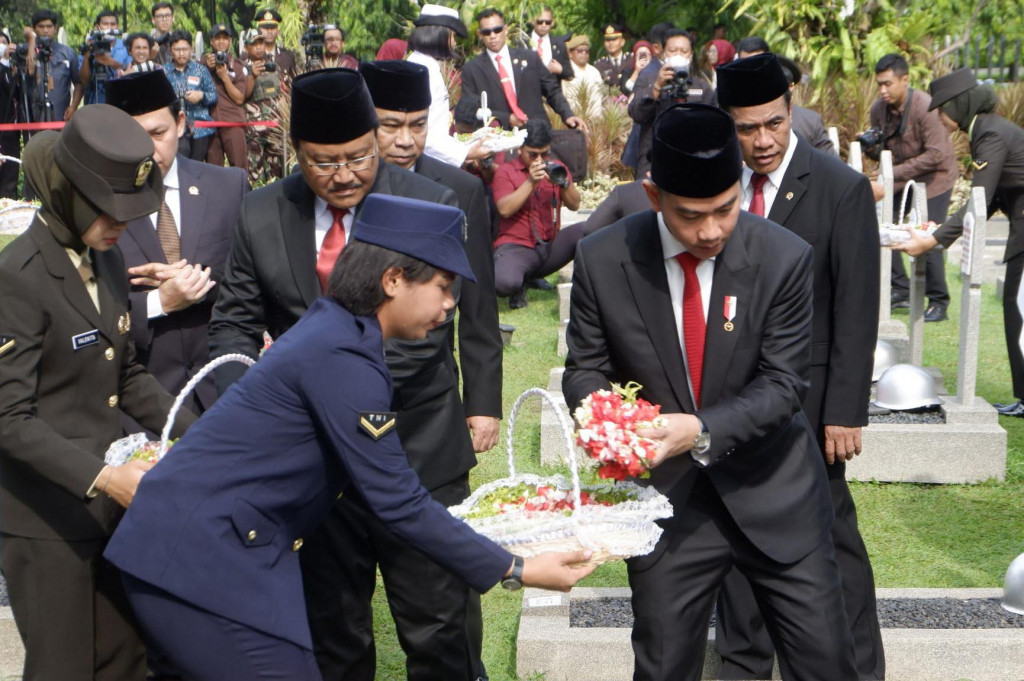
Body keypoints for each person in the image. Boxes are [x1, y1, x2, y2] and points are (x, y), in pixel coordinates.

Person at [104, 193, 597, 681]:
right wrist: (517, 569)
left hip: (209, 552)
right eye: (443, 287)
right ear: (393, 279)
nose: (450, 305)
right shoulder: (345, 358)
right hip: (199, 561)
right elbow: (398, 500)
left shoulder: (337, 331)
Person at [563, 102, 858, 681]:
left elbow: (784, 384)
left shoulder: (782, 257)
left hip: (775, 493)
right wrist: (616, 426)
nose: (711, 231)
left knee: (827, 664)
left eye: (725, 210)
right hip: (669, 507)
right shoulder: (604, 258)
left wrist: (695, 430)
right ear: (654, 197)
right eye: (690, 216)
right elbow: (585, 369)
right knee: (663, 666)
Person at [206, 68, 474, 678]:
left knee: (438, 633)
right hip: (311, 469)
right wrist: (260, 409)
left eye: (359, 156)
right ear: (296, 153)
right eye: (324, 162)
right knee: (331, 636)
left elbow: (428, 333)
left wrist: (316, 400)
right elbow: (233, 328)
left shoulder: (428, 205)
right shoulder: (262, 213)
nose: (345, 174)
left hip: (416, 453)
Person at [0, 104, 195, 681]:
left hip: (114, 508)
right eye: (108, 211)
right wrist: (106, 477)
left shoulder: (104, 260)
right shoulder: (18, 276)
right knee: (65, 667)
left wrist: (198, 430)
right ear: (68, 192)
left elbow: (126, 375)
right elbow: (8, 417)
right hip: (48, 519)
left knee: (126, 661)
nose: (121, 226)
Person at [712, 54, 884, 681]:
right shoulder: (714, 188)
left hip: (810, 404)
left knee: (832, 542)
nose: (761, 141)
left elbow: (857, 306)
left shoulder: (838, 188)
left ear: (791, 110)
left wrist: (843, 411)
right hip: (728, 401)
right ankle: (745, 667)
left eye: (773, 124)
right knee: (732, 539)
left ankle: (860, 669)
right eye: (745, 127)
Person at [106, 69, 249, 420]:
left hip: (225, 393)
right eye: (132, 137)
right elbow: (86, 312)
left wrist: (197, 283)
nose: (147, 149)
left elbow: (252, 282)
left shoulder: (228, 187)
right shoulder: (100, 208)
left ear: (181, 123)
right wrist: (158, 302)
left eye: (158, 133)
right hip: (141, 404)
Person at [895, 68, 1024, 415]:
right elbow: (993, 198)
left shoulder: (990, 133)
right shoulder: (986, 130)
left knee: (1018, 312)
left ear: (960, 104)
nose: (938, 116)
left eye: (942, 109)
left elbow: (979, 200)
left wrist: (933, 240)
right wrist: (940, 233)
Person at [868, 53, 957, 322]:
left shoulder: (926, 107)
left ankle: (939, 300)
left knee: (927, 235)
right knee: (883, 227)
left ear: (905, 80)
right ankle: (901, 288)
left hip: (935, 179)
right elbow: (883, 152)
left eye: (888, 84)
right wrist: (871, 148)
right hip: (903, 178)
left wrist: (891, 173)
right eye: (879, 84)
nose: (883, 90)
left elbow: (936, 155)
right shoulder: (878, 109)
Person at [492, 117, 581, 309]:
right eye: (533, 155)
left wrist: (564, 183)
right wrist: (530, 182)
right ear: (520, 149)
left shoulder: (556, 167)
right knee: (504, 283)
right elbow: (504, 209)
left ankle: (581, 285)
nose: (540, 160)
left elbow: (575, 205)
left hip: (548, 246)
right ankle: (520, 281)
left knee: (590, 230)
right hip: (516, 247)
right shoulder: (506, 172)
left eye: (545, 154)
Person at [459, 8, 585, 132]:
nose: (493, 36)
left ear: (505, 30)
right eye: (487, 32)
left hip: (536, 135)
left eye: (497, 30)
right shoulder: (472, 69)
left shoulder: (530, 58)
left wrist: (568, 115)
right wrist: (506, 118)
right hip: (499, 137)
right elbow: (471, 109)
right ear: (480, 35)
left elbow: (552, 90)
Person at [407, 4, 491, 169]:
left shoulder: (426, 65)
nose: (453, 42)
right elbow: (425, 134)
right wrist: (466, 152)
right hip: (424, 162)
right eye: (452, 36)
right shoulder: (422, 71)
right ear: (437, 35)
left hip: (433, 157)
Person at [628, 27, 716, 178]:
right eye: (673, 51)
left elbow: (714, 124)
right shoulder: (648, 79)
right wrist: (657, 87)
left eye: (684, 51)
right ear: (663, 54)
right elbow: (637, 114)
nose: (678, 55)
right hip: (653, 157)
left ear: (691, 55)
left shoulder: (700, 86)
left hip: (691, 157)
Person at [204, 23, 252, 172]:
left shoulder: (237, 66)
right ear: (211, 41)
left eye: (225, 38)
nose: (221, 42)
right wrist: (206, 67)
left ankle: (243, 195)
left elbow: (239, 99)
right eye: (217, 38)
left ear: (230, 41)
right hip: (210, 125)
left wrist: (225, 77)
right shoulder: (202, 64)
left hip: (232, 123)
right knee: (213, 172)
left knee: (239, 169)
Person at [164, 30, 217, 161]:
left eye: (185, 49)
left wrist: (201, 96)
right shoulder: (163, 71)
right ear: (170, 50)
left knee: (197, 163)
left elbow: (214, 95)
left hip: (201, 128)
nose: (181, 53)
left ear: (191, 49)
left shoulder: (201, 70)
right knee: (182, 157)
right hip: (176, 127)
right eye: (177, 49)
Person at [240, 29, 283, 186]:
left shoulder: (273, 65)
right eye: (254, 44)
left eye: (261, 43)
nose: (259, 47)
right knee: (256, 173)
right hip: (254, 131)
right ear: (246, 47)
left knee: (278, 171)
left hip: (275, 127)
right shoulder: (242, 67)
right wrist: (252, 75)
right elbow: (243, 96)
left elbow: (281, 92)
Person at [24, 9, 80, 122]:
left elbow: (79, 83)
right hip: (34, 116)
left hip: (61, 115)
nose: (45, 30)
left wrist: (73, 107)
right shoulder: (27, 50)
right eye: (41, 26)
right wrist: (31, 41)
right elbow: (29, 71)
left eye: (49, 26)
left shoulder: (67, 53)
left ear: (55, 28)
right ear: (34, 28)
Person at [76, 10, 131, 106]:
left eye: (113, 24)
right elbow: (83, 80)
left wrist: (111, 63)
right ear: (97, 27)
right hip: (94, 103)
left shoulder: (126, 47)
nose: (109, 27)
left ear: (117, 26)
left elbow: (131, 74)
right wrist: (87, 57)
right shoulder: (90, 46)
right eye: (105, 24)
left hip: (121, 103)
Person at [520, 5, 572, 80]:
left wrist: (560, 70)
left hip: (551, 89)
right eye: (540, 22)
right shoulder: (522, 42)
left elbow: (570, 74)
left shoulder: (559, 44)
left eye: (547, 22)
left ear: (552, 22)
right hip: (528, 89)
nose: (544, 25)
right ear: (532, 21)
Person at [563, 35, 603, 120]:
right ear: (570, 53)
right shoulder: (565, 71)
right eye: (580, 51)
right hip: (573, 120)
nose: (584, 54)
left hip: (595, 121)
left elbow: (599, 97)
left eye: (586, 51)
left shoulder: (594, 72)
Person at [0, 30, 20, 198]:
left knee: (10, 175)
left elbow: (14, 91)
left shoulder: (13, 68)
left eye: (4, 42)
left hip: (10, 129)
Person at [257, 8, 297, 79]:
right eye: (266, 28)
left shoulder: (288, 56)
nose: (269, 32)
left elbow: (293, 83)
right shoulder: (252, 56)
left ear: (277, 32)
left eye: (272, 28)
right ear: (259, 31)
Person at [594, 24, 634, 92]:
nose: (611, 43)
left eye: (614, 39)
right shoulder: (599, 65)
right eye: (608, 40)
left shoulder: (632, 59)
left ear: (622, 42)